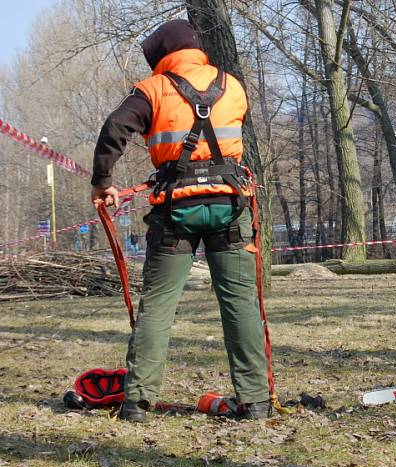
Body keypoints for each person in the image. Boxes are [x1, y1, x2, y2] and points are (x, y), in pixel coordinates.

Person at [91, 20, 270, 421]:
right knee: (240, 304)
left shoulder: (152, 90)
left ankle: (137, 402)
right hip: (229, 206)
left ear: (160, 56)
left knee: (156, 307)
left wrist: (103, 182)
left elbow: (115, 127)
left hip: (175, 212)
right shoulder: (233, 85)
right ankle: (256, 400)